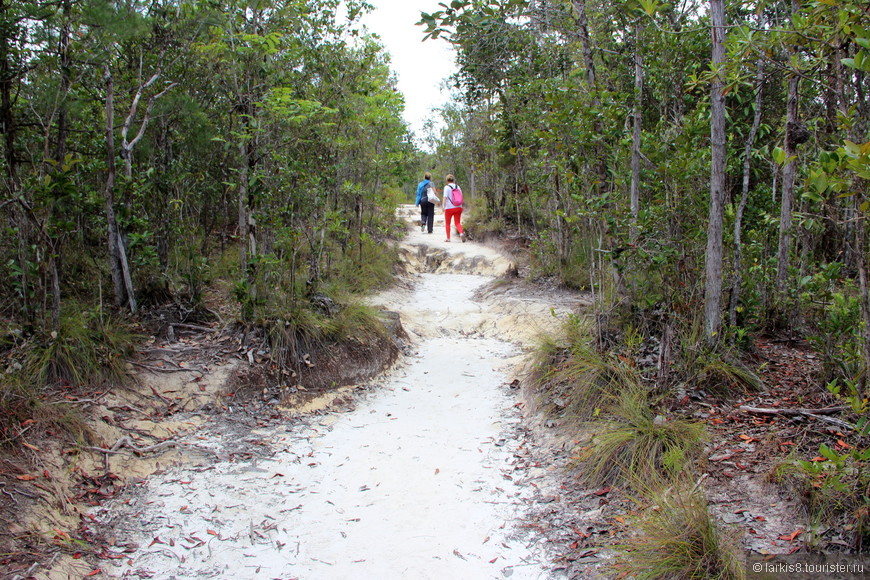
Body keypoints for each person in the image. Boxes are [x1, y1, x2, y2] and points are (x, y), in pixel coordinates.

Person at [442, 174, 465, 243]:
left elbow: (445, 197)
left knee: (448, 223)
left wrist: (443, 206)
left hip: (449, 208)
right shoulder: (458, 187)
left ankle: (448, 238)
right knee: (457, 222)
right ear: (453, 180)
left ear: (447, 180)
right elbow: (461, 196)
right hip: (458, 207)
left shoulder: (446, 187)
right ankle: (461, 233)